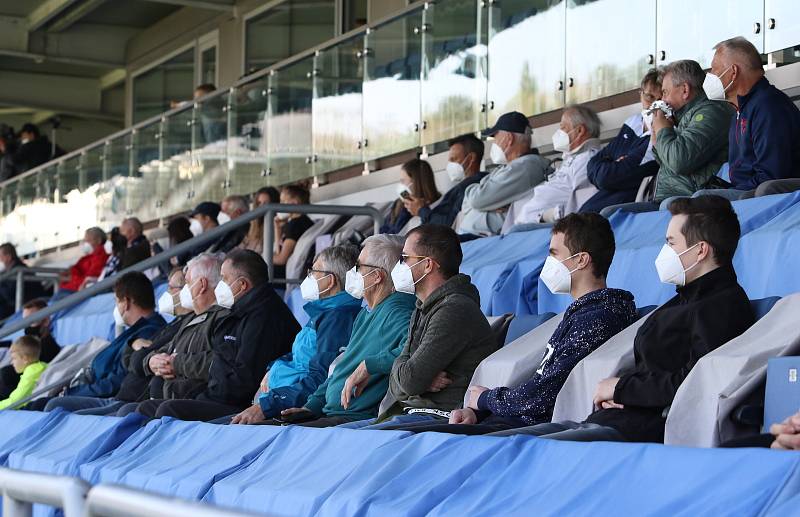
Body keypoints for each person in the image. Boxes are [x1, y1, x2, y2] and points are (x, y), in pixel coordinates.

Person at [491, 196, 755, 442]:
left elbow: (696, 381)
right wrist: (621, 393)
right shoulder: (684, 298)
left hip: (645, 428)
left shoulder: (723, 305)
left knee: (520, 450)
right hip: (618, 416)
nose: (665, 251)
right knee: (496, 443)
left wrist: (621, 390)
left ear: (700, 251)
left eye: (671, 243)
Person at [381, 214, 638, 435]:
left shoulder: (599, 317)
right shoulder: (581, 313)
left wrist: (485, 399)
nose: (547, 263)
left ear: (581, 260)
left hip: (527, 431)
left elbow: (541, 397)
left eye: (554, 254)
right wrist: (477, 412)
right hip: (505, 420)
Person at [344, 224, 498, 430]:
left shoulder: (453, 309)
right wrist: (412, 377)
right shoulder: (423, 307)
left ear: (427, 265)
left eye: (404, 258)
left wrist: (412, 378)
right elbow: (402, 383)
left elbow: (409, 382)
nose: (398, 266)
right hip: (410, 412)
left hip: (438, 418)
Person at [135, 250, 300, 421]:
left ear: (242, 285)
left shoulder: (265, 317)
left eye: (224, 278)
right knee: (144, 409)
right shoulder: (240, 312)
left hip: (240, 405)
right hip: (218, 395)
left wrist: (201, 398)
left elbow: (243, 382)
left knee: (169, 410)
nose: (219, 284)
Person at [274, 235, 416, 427]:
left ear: (376, 277)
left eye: (358, 266)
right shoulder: (367, 313)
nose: (352, 272)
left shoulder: (398, 312)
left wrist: (369, 365)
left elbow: (419, 352)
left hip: (353, 420)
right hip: (329, 413)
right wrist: (311, 407)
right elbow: (340, 367)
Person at [230, 245, 362, 424]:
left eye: (313, 272)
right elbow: (299, 354)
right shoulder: (325, 312)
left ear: (330, 281)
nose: (308, 277)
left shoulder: (338, 318)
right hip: (279, 399)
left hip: (292, 407)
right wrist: (275, 366)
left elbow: (320, 378)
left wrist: (268, 404)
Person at [41, 268, 193, 415]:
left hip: (118, 398)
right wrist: (132, 343)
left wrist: (71, 392)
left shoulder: (150, 329)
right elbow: (133, 359)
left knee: (53, 405)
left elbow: (119, 377)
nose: (167, 292)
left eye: (116, 301)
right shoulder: (142, 331)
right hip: (110, 394)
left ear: (126, 302)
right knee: (45, 404)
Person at [705, 37, 800, 197]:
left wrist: (730, 192)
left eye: (714, 69)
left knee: (699, 200)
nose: (710, 75)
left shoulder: (769, 106)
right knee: (674, 203)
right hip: (746, 190)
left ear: (733, 72)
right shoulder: (741, 109)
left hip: (765, 195)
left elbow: (771, 175)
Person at [508, 105, 603, 231]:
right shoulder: (574, 158)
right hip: (528, 225)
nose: (559, 132)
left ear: (580, 131)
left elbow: (582, 204)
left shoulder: (587, 160)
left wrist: (548, 216)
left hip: (545, 228)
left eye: (563, 127)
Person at [581, 70, 662, 214]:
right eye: (649, 97)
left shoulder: (662, 132)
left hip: (627, 204)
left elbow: (612, 177)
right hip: (603, 199)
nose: (654, 104)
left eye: (660, 99)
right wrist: (614, 166)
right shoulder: (633, 122)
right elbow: (594, 163)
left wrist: (613, 166)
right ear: (640, 94)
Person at [458, 111, 550, 237]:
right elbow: (470, 204)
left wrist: (481, 199)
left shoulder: (525, 167)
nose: (494, 143)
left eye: (495, 138)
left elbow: (477, 200)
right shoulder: (512, 166)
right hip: (474, 237)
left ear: (509, 138)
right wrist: (486, 201)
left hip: (483, 238)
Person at [402, 135, 487, 228]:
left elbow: (445, 226)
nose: (450, 165)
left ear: (471, 158)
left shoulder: (470, 188)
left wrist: (421, 210)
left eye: (453, 159)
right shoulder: (460, 188)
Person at [0, 299, 60, 399]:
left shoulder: (49, 348)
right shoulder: (26, 344)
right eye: (24, 321)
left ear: (46, 321)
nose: (26, 325)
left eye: (31, 320)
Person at [381, 158, 441, 234]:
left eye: (403, 181)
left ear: (416, 183)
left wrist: (420, 210)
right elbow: (386, 230)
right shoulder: (399, 203)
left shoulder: (437, 206)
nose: (401, 185)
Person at [273, 185, 314, 279]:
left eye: (283, 201)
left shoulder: (295, 225)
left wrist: (262, 257)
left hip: (283, 280)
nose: (280, 204)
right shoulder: (302, 221)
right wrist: (277, 228)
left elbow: (281, 259)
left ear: (294, 203)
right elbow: (278, 251)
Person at [0, 243, 47, 319]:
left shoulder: (19, 270)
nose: (0, 259)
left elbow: (10, 296)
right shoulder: (9, 271)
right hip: (15, 304)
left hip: (25, 305)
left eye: (1, 256)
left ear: (8, 257)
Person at [0, 335, 47, 410]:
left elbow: (15, 401)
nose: (12, 363)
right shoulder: (41, 365)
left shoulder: (31, 373)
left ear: (25, 359)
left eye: (14, 358)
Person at [58, 228, 109, 293]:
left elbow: (89, 280)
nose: (85, 244)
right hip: (68, 288)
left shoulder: (100, 258)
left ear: (99, 241)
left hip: (73, 292)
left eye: (89, 240)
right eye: (85, 240)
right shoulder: (88, 257)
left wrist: (70, 278)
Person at [240, 187, 280, 253]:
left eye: (265, 203)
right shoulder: (253, 225)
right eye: (259, 203)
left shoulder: (276, 225)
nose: (261, 207)